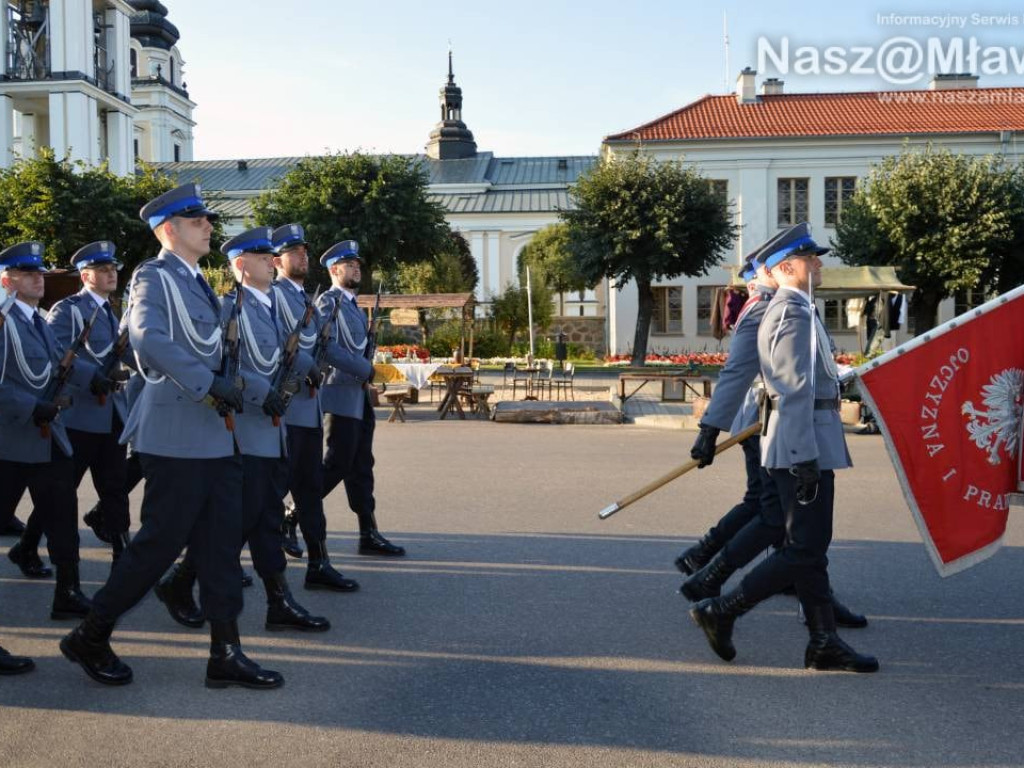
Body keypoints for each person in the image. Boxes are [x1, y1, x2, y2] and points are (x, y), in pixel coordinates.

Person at [60, 183, 282, 688]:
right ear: (169, 230)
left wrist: (253, 390)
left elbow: (224, 357)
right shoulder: (153, 277)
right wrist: (211, 384)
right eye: (196, 219)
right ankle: (90, 635)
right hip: (177, 436)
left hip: (216, 437)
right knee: (156, 548)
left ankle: (225, 653)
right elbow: (148, 339)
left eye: (205, 218)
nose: (207, 225)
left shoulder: (199, 283)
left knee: (221, 549)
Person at [689, 223, 879, 673]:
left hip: (803, 440)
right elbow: (790, 390)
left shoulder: (799, 306)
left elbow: (812, 380)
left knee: (809, 547)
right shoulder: (790, 311)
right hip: (800, 445)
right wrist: (803, 456)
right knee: (804, 548)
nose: (820, 264)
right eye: (812, 259)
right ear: (788, 267)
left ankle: (823, 640)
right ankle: (722, 609)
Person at [155, 226, 328, 632]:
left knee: (263, 518)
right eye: (261, 256)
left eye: (272, 255)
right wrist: (260, 391)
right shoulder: (229, 308)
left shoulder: (269, 307)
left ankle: (277, 602)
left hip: (271, 428)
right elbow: (224, 365)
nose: (272, 261)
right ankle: (182, 582)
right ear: (240, 266)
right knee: (242, 519)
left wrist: (310, 369)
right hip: (245, 429)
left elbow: (287, 353)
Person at [0, 242, 107, 619]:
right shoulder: (4, 321)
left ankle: (68, 592)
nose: (38, 279)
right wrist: (32, 406)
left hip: (48, 437)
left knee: (63, 520)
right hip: (10, 442)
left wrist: (95, 377)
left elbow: (61, 362)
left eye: (39, 273)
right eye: (27, 274)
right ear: (6, 281)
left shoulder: (37, 320)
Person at [15, 242, 132, 569]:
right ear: (86, 275)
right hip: (79, 416)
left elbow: (121, 353)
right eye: (104, 270)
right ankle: (26, 546)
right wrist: (90, 375)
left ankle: (124, 556)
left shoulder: (110, 310)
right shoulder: (68, 310)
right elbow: (55, 355)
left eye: (113, 269)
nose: (112, 275)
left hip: (110, 413)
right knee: (60, 491)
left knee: (115, 486)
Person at [271, 225, 374, 591]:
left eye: (304, 251)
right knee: (267, 492)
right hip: (288, 405)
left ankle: (319, 563)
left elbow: (319, 345)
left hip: (310, 404)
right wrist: (310, 368)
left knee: (311, 486)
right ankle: (194, 572)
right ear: (275, 260)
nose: (302, 256)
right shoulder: (276, 296)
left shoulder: (304, 299)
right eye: (293, 252)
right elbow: (285, 346)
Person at [317, 241, 405, 560]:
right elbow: (328, 348)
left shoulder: (353, 305)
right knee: (337, 464)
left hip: (358, 396)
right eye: (349, 264)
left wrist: (368, 370)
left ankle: (368, 532)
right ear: (333, 270)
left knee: (361, 467)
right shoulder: (328, 303)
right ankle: (293, 514)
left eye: (358, 264)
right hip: (339, 394)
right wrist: (367, 369)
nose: (357, 268)